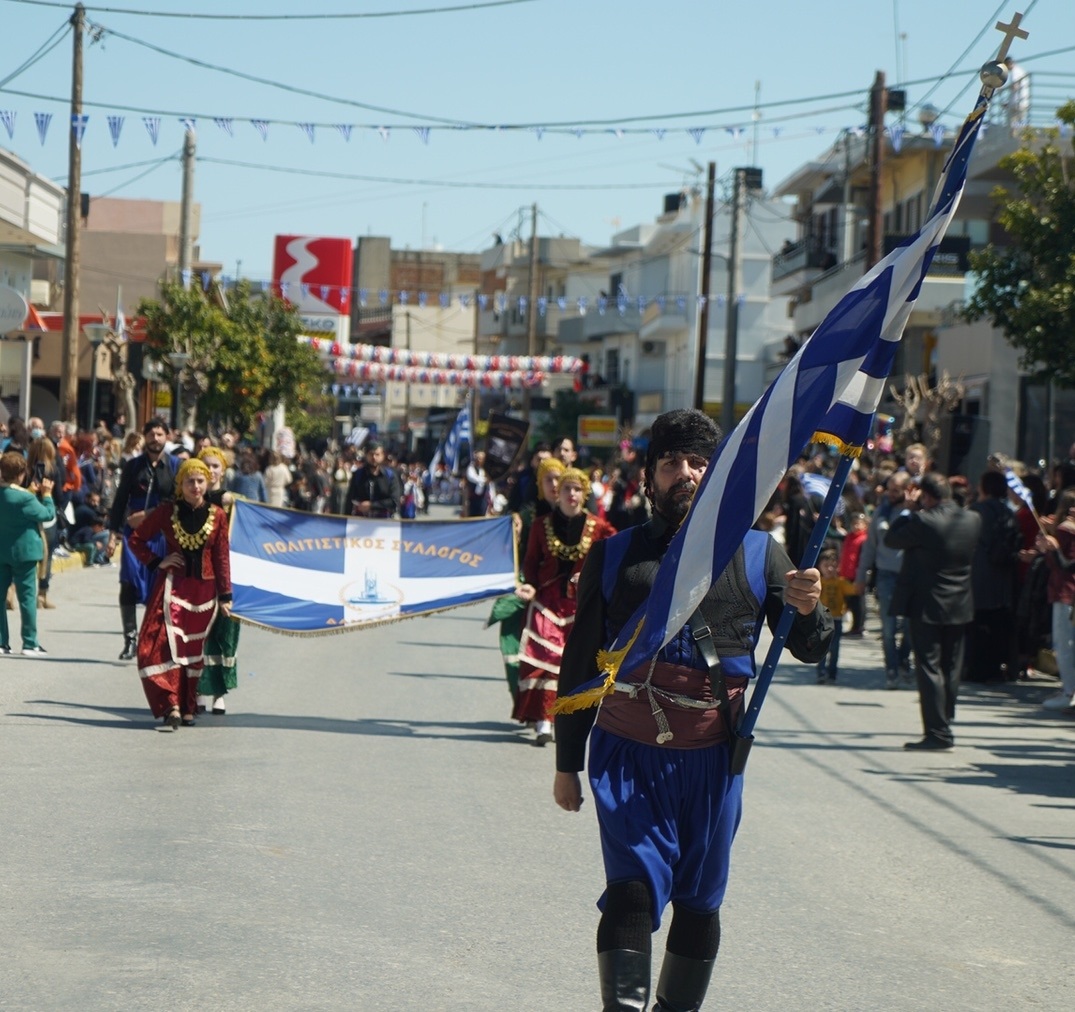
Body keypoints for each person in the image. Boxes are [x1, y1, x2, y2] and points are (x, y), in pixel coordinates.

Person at [553, 409, 831, 1011]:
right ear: (649, 476)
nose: (685, 473)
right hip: (626, 753)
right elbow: (578, 664)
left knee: (701, 899)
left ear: (720, 474)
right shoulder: (615, 554)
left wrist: (809, 607)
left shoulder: (762, 554)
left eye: (699, 463)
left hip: (712, 758)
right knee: (629, 891)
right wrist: (566, 762)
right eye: (671, 462)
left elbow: (809, 648)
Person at [513, 466, 615, 745]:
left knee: (578, 665)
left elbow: (616, 557)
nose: (572, 494)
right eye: (567, 488)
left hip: (580, 606)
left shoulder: (600, 528)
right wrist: (530, 584)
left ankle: (572, 719)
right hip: (547, 602)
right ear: (558, 494)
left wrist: (595, 575)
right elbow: (531, 562)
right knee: (544, 662)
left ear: (584, 494)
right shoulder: (540, 525)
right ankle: (544, 720)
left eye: (577, 489)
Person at [128, 457, 232, 730]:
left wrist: (226, 596)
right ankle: (169, 705)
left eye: (200, 481)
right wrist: (155, 561)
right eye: (190, 481)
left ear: (207, 483)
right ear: (180, 485)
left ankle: (187, 708)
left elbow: (221, 557)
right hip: (172, 588)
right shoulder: (166, 512)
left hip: (205, 594)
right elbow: (136, 538)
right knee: (154, 646)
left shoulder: (218, 515)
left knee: (192, 651)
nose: (195, 486)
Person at [885, 472, 980, 750]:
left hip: (927, 604)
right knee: (951, 666)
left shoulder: (923, 520)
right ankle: (945, 719)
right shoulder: (973, 519)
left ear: (926, 496)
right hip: (960, 603)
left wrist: (908, 510)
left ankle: (937, 732)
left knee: (928, 667)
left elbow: (892, 539)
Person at [106, 418, 180, 661]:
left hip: (161, 533)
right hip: (134, 535)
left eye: (160, 434)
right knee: (128, 583)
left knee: (157, 589)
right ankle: (130, 639)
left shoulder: (176, 466)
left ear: (167, 437)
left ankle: (152, 642)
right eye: (151, 434)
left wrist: (149, 515)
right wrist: (113, 534)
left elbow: (177, 501)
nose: (155, 438)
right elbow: (119, 501)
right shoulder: (133, 466)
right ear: (144, 436)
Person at [854, 471, 914, 689]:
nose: (891, 494)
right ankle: (892, 669)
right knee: (888, 627)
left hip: (910, 577)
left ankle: (903, 659)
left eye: (896, 490)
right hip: (886, 575)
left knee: (909, 627)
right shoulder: (881, 512)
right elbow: (870, 548)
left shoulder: (915, 513)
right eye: (890, 489)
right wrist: (861, 577)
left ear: (908, 490)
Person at [966, 470, 1020, 683]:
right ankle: (994, 669)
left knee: (976, 627)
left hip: (979, 576)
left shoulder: (977, 511)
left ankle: (975, 669)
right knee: (997, 627)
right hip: (1003, 578)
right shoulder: (1009, 513)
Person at [0, 452, 55, 656]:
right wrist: (47, 495)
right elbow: (47, 514)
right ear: (21, 474)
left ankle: (1, 641)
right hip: (25, 554)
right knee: (28, 598)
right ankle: (30, 642)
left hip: (1, 552)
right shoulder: (25, 498)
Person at [1036, 487, 1075, 710]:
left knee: (1064, 642)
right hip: (1069, 591)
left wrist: (1050, 548)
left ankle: (1069, 690)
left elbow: (1064, 566)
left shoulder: (1065, 530)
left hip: (1065, 590)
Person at [347, 441, 402, 519]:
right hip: (361, 521)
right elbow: (350, 500)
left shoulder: (390, 475)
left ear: (383, 456)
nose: (374, 457)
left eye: (377, 454)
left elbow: (394, 501)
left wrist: (372, 505)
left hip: (383, 521)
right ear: (366, 455)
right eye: (371, 454)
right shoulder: (358, 474)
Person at [816, 546, 847, 684]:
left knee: (835, 648)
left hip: (837, 619)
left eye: (833, 566)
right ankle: (821, 673)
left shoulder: (841, 582)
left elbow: (853, 590)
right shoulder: (818, 583)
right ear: (819, 566)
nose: (829, 569)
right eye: (826, 566)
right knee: (822, 647)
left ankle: (832, 673)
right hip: (822, 619)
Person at [839, 511, 868, 636]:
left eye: (859, 524)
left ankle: (859, 626)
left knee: (858, 602)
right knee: (851, 601)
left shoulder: (864, 539)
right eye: (854, 524)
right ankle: (854, 626)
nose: (856, 526)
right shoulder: (849, 537)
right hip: (847, 573)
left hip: (857, 574)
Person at [464, 449, 489, 517]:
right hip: (473, 498)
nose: (479, 460)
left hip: (483, 498)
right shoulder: (471, 468)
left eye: (481, 458)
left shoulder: (486, 469)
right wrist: (484, 480)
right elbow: (472, 478)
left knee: (482, 515)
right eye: (478, 458)